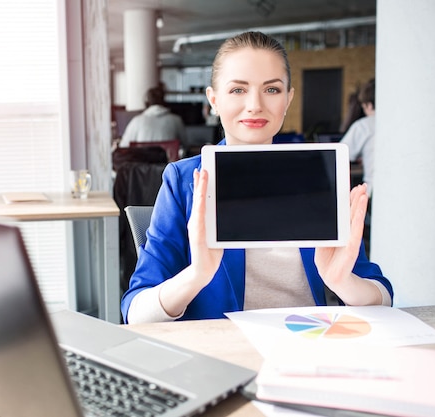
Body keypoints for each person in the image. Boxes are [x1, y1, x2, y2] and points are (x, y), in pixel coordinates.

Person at [120, 32, 392, 324]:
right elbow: (136, 312)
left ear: (288, 99)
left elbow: (381, 296)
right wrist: (195, 276)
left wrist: (343, 283)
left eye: (272, 90)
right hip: (224, 355)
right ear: (214, 100)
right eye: (238, 90)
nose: (255, 105)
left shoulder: (319, 173)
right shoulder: (185, 180)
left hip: (306, 346)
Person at [119, 86, 187, 148]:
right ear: (164, 102)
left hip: (142, 161)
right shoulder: (176, 120)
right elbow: (186, 145)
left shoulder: (136, 121)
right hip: (168, 161)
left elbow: (123, 146)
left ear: (146, 103)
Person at [340, 79, 376, 196]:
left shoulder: (364, 126)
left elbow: (342, 154)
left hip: (374, 193)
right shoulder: (401, 126)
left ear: (369, 105)